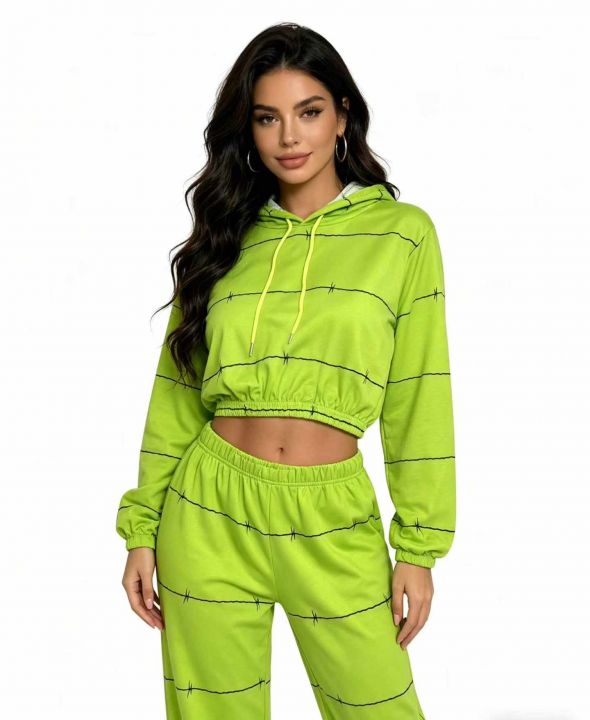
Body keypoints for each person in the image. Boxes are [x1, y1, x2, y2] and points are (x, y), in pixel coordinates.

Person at [115, 21, 455, 720]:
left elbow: (420, 393)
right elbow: (176, 395)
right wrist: (142, 530)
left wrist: (419, 549)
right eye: (267, 118)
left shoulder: (402, 235)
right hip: (207, 509)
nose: (289, 137)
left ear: (343, 117)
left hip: (331, 514)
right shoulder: (225, 238)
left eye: (309, 112)